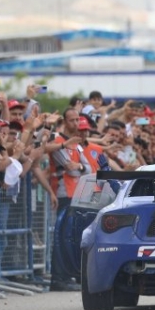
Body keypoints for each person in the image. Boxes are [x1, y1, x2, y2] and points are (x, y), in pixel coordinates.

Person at [47, 108, 86, 291]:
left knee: (73, 237)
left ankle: (69, 275)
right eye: (72, 120)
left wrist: (79, 166)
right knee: (61, 237)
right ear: (65, 121)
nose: (76, 124)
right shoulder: (59, 142)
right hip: (63, 193)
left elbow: (87, 168)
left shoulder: (77, 144)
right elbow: (69, 168)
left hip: (77, 194)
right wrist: (79, 166)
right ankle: (58, 278)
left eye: (78, 120)